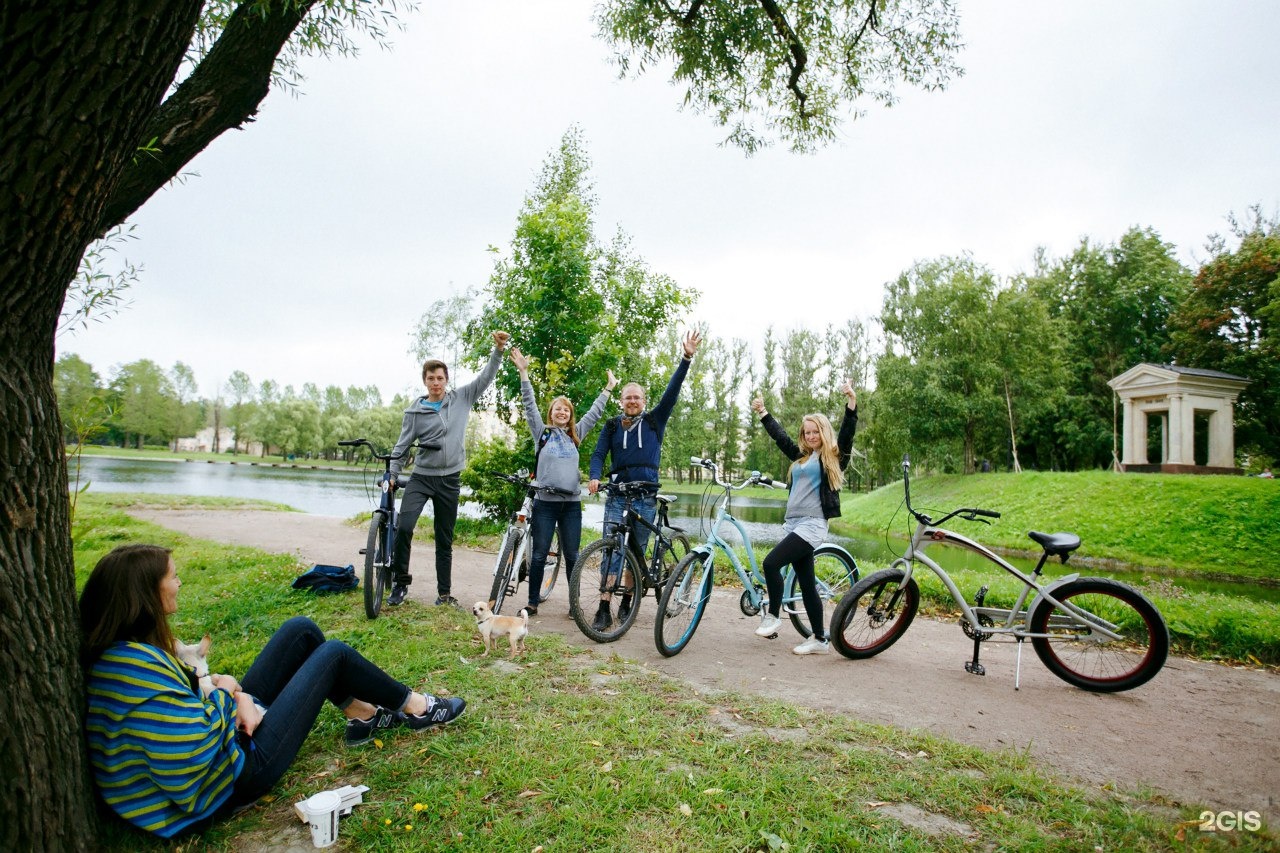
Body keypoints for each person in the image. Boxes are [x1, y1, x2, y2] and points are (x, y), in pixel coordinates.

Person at [79, 544, 465, 839]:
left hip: (228, 744)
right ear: (145, 593)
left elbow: (182, 703)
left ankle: (363, 717)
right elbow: (192, 750)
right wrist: (233, 697)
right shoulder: (132, 667)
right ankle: (418, 708)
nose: (179, 583)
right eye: (173, 577)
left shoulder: (128, 653)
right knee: (334, 655)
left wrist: (227, 690)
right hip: (232, 778)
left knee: (301, 630)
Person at [586, 329, 703, 631]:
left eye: (637, 397)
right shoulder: (611, 426)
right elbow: (599, 454)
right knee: (612, 551)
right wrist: (595, 476)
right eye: (628, 397)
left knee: (635, 553)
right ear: (621, 401)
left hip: (645, 497)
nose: (633, 401)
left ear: (644, 400)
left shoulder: (654, 421)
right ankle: (603, 606)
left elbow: (673, 392)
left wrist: (686, 358)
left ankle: (627, 601)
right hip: (617, 496)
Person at [389, 330, 511, 607]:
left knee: (444, 539)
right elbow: (402, 445)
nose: (436, 382)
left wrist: (499, 350)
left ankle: (444, 594)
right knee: (405, 527)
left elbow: (486, 377)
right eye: (430, 378)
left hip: (449, 480)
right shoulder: (414, 412)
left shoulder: (462, 398)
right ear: (424, 381)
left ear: (446, 380)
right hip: (421, 477)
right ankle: (399, 586)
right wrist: (393, 474)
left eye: (440, 378)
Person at [750, 379, 858, 655]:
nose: (810, 436)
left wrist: (851, 405)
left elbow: (846, 436)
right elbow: (781, 438)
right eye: (806, 432)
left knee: (771, 563)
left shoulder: (830, 458)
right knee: (807, 583)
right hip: (795, 524)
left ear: (823, 433)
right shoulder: (802, 457)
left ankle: (773, 616)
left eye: (815, 432)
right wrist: (763, 413)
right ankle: (820, 639)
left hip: (812, 525)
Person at [511, 348, 618, 614]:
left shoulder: (576, 435)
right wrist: (524, 372)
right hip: (545, 503)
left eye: (566, 410)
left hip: (570, 504)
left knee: (573, 556)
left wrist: (608, 389)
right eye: (558, 409)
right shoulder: (542, 433)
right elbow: (528, 404)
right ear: (551, 413)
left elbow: (593, 414)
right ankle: (533, 602)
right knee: (539, 555)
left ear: (570, 416)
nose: (562, 413)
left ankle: (574, 605)